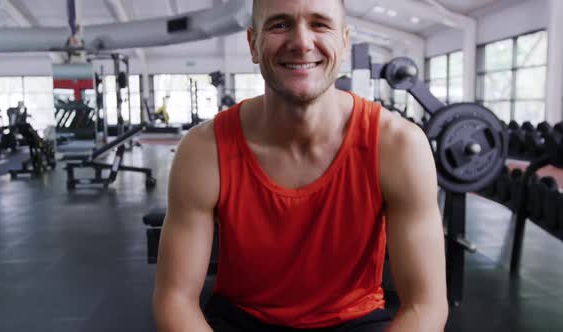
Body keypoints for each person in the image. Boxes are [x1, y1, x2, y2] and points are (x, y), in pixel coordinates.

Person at [152, 0, 448, 331]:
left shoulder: (398, 146)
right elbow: (175, 299)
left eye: (320, 24)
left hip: (353, 320)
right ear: (253, 44)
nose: (302, 42)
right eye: (279, 25)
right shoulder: (204, 150)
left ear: (344, 42)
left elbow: (426, 305)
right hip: (242, 319)